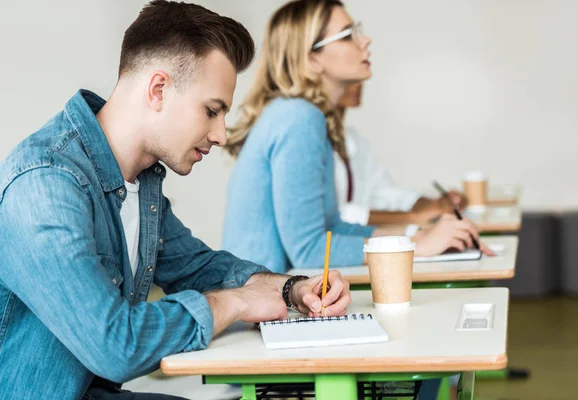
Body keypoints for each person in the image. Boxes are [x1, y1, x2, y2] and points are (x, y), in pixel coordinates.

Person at [0, 2, 350, 399]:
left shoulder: (138, 183)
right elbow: (115, 346)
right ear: (158, 89)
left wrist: (293, 289)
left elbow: (201, 267)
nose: (221, 134)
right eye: (211, 111)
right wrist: (230, 304)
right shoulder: (45, 184)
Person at [222, 0, 491, 274]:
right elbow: (308, 250)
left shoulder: (304, 114)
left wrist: (416, 235)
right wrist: (415, 245)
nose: (365, 40)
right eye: (348, 35)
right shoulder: (299, 118)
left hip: (278, 295)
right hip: (258, 310)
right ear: (313, 58)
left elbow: (332, 228)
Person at [335, 83, 466, 227]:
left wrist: (435, 204)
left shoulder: (354, 139)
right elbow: (329, 214)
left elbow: (385, 193)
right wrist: (412, 217)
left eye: (359, 79)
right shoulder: (311, 140)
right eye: (347, 78)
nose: (357, 84)